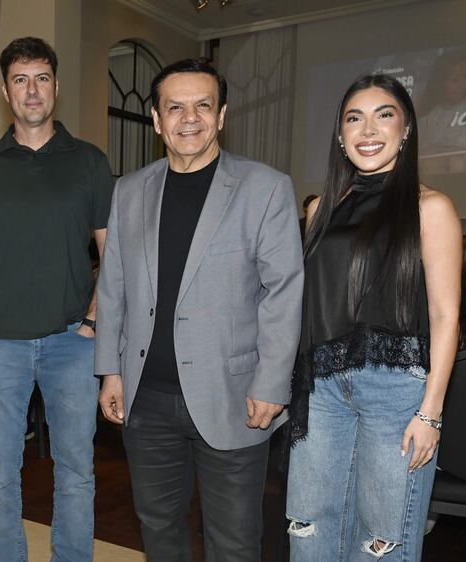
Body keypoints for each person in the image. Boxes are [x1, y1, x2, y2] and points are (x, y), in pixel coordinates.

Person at [95, 58, 304, 562]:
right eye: (175, 107)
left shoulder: (265, 188)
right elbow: (113, 285)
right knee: (159, 527)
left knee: (233, 541)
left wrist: (272, 383)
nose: (190, 118)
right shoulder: (129, 190)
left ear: (222, 114)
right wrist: (110, 372)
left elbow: (284, 292)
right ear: (156, 119)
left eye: (202, 105)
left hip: (234, 397)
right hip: (146, 399)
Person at [286, 74, 462, 561]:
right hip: (321, 389)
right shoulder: (320, 209)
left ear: (406, 130)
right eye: (353, 118)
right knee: (307, 522)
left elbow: (446, 315)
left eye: (384, 115)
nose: (368, 129)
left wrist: (431, 412)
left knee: (380, 538)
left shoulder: (431, 209)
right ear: (340, 136)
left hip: (397, 392)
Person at [0, 36, 114, 561]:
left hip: (73, 342)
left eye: (41, 78)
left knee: (76, 471)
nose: (32, 90)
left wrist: (94, 318)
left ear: (56, 87)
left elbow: (113, 253)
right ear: (5, 90)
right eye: (20, 80)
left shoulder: (90, 161)